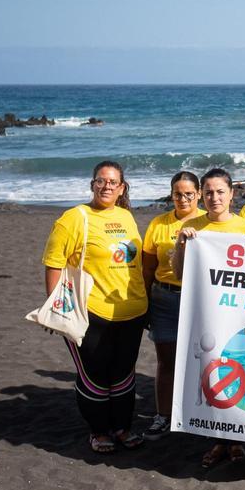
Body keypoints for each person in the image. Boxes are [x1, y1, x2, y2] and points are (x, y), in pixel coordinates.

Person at [41, 161, 148, 454]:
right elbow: (54, 264)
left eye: (113, 182)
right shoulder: (75, 217)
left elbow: (135, 263)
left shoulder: (126, 216)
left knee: (123, 374)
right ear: (92, 185)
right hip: (91, 314)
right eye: (101, 181)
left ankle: (122, 428)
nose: (106, 186)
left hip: (132, 312)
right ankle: (99, 431)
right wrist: (56, 309)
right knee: (95, 376)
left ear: (122, 188)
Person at [173, 168, 245, 468]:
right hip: (206, 313)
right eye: (208, 192)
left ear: (232, 194)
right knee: (211, 374)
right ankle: (218, 440)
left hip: (238, 312)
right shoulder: (192, 226)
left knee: (237, 371)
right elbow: (179, 272)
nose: (214, 197)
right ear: (201, 195)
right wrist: (181, 243)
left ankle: (235, 440)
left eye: (220, 191)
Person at [140, 170, 202, 440]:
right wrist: (145, 302)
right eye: (178, 194)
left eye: (189, 194)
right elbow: (147, 268)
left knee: (202, 360)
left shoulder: (208, 221)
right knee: (166, 360)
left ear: (198, 194)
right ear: (171, 195)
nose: (183, 198)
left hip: (198, 299)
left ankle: (200, 417)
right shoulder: (158, 224)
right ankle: (163, 416)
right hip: (163, 298)